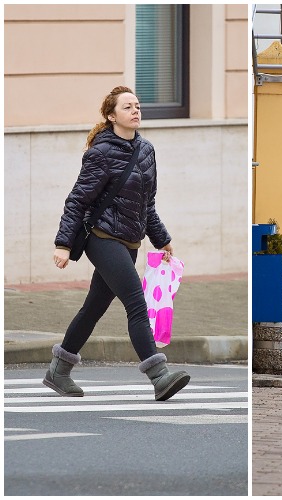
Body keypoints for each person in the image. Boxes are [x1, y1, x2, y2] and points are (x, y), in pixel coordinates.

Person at [50, 85, 189, 401]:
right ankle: (159, 376)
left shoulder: (146, 151)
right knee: (136, 303)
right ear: (111, 116)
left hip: (130, 241)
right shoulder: (100, 153)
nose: (136, 111)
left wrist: (161, 238)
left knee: (93, 308)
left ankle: (58, 371)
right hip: (101, 238)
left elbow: (146, 204)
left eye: (138, 106)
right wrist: (62, 244)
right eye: (128, 107)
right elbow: (77, 201)